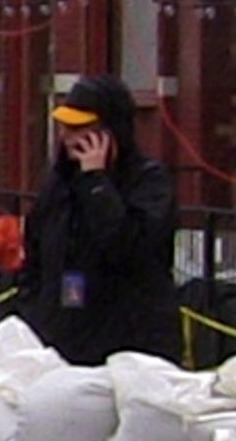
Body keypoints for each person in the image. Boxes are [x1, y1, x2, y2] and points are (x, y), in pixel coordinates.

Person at [14, 73, 178, 365]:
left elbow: (130, 247)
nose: (67, 136)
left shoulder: (148, 182)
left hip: (127, 339)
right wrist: (35, 311)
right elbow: (35, 251)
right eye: (65, 127)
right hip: (62, 333)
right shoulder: (59, 183)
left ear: (109, 131)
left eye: (81, 128)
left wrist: (97, 183)